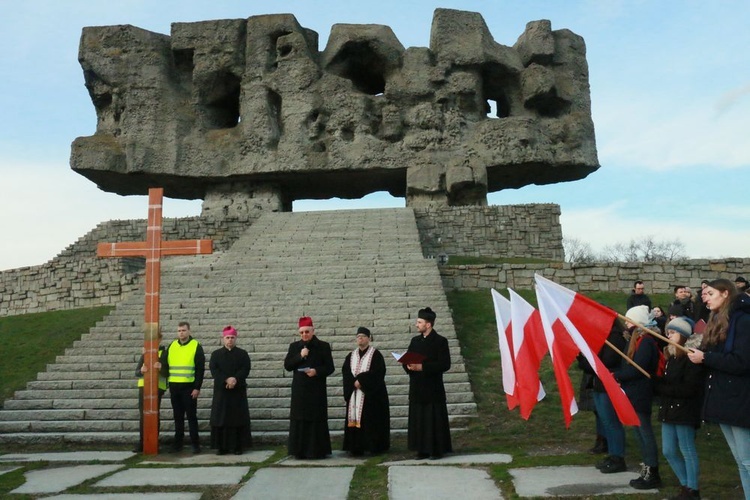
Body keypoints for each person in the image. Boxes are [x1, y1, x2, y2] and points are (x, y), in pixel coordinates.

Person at [688, 278, 750, 498]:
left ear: (725, 293)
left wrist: (706, 357)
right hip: (724, 398)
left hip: (740, 399)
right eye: (704, 294)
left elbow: (742, 361)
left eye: (710, 293)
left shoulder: (743, 321)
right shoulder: (717, 320)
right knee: (741, 462)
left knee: (748, 461)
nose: (705, 298)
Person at [654, 317, 705, 499]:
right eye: (668, 332)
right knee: (668, 450)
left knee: (687, 449)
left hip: (685, 410)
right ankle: (684, 483)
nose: (669, 335)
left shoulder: (691, 357)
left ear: (683, 335)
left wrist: (661, 387)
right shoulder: (672, 357)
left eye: (673, 332)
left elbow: (689, 388)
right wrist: (656, 381)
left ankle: (692, 489)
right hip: (669, 409)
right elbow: (669, 382)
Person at [615, 305, 662, 490]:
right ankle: (645, 468)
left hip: (641, 393)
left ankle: (653, 471)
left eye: (629, 320)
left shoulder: (646, 341)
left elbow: (638, 368)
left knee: (645, 432)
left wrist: (618, 375)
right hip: (632, 391)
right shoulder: (635, 339)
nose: (626, 323)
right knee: (638, 432)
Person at [580, 318, 629, 473]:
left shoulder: (614, 337)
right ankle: (612, 454)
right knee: (606, 421)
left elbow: (605, 361)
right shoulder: (602, 336)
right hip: (599, 384)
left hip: (609, 384)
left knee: (612, 422)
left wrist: (586, 357)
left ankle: (618, 457)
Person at [403, 307, 452, 459]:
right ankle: (421, 449)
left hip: (433, 388)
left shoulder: (440, 341)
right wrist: (408, 365)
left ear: (428, 324)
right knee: (419, 420)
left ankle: (436, 450)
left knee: (433, 420)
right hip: (417, 387)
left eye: (419, 322)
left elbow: (445, 364)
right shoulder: (415, 341)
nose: (417, 325)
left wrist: (422, 367)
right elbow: (409, 358)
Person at [284, 316, 335, 459]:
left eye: (307, 332)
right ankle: (299, 451)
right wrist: (300, 356)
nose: (304, 335)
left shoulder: (323, 346)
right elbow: (288, 366)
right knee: (299, 419)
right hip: (300, 391)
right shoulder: (294, 347)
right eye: (301, 333)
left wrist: (316, 371)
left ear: (313, 331)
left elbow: (330, 367)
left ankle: (317, 451)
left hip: (316, 390)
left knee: (315, 420)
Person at [342, 326, 390, 456]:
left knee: (370, 420)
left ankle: (373, 446)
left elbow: (378, 373)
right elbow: (346, 372)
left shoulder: (376, 355)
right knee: (354, 419)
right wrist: (353, 382)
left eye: (362, 336)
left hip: (370, 396)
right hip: (354, 394)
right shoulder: (351, 356)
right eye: (358, 337)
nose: (360, 339)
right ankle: (355, 447)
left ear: (369, 338)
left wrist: (361, 381)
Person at [209, 326, 252, 455]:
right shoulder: (216, 354)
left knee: (237, 418)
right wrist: (226, 380)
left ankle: (238, 446)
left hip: (237, 391)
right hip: (222, 391)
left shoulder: (242, 354)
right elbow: (214, 370)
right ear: (223, 338)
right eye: (227, 338)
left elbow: (245, 369)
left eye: (232, 338)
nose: (230, 340)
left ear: (236, 338)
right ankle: (222, 447)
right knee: (221, 418)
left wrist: (235, 379)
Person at [165, 321, 205, 453]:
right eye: (179, 331)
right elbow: (166, 364)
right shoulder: (172, 346)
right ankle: (178, 443)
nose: (181, 333)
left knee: (191, 417)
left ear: (189, 331)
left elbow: (200, 369)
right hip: (174, 386)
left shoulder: (196, 346)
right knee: (178, 416)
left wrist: (197, 387)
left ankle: (195, 444)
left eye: (183, 330)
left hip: (189, 388)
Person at [134, 329, 168, 453]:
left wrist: (161, 368)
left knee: (154, 415)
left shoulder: (164, 353)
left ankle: (154, 441)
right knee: (143, 415)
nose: (152, 342)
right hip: (144, 387)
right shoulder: (145, 353)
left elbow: (167, 372)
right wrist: (141, 371)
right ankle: (142, 442)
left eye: (155, 339)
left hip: (157, 387)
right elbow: (137, 372)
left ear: (159, 339)